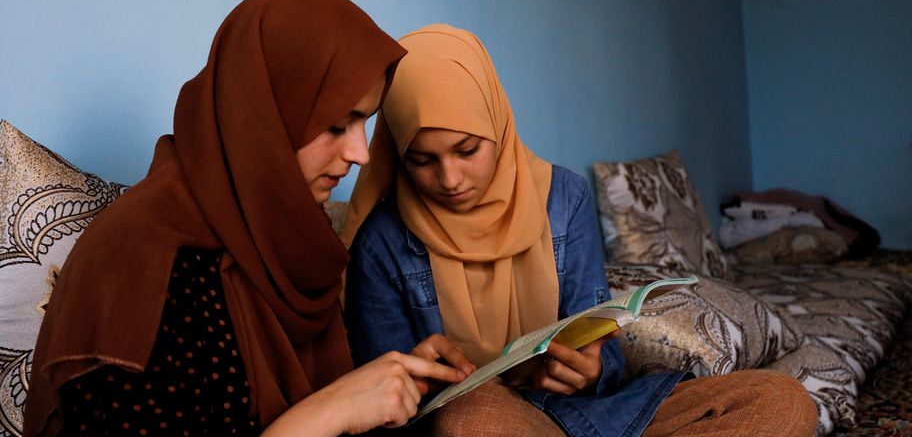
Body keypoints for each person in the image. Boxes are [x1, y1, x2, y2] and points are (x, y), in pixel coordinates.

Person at [23, 0, 475, 437]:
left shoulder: (287, 236)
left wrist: (394, 381)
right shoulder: (138, 260)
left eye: (365, 123)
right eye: (338, 125)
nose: (360, 153)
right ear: (262, 118)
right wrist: (330, 411)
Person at [342, 24, 819, 436]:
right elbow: (383, 402)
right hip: (487, 421)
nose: (449, 179)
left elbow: (596, 338)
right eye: (422, 161)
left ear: (498, 124)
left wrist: (590, 369)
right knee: (471, 419)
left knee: (780, 400)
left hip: (593, 415)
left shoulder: (562, 198)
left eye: (467, 150)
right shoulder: (381, 242)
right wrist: (418, 377)